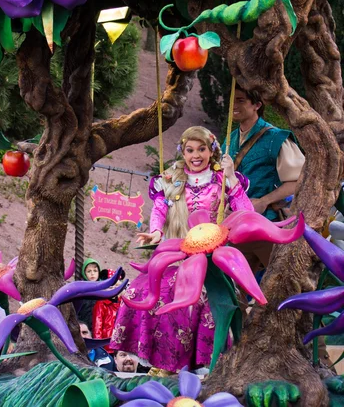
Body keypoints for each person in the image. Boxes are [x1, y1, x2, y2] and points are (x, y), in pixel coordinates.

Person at [110, 126, 254, 373]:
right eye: (190, 150)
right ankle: (163, 362)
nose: (195, 155)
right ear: (183, 153)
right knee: (145, 292)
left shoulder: (222, 179)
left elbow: (248, 214)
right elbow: (159, 210)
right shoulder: (170, 179)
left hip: (212, 258)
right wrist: (155, 232)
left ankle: (205, 364)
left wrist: (231, 178)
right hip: (178, 254)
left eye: (201, 149)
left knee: (209, 301)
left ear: (212, 151)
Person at [222, 85, 305, 272]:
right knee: (234, 286)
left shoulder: (276, 138)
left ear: (257, 105)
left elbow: (299, 180)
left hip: (268, 226)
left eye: (241, 100)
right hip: (236, 227)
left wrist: (264, 201)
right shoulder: (229, 139)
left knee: (280, 282)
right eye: (232, 100)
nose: (233, 105)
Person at [93, 269, 122, 353]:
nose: (113, 289)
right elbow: (97, 327)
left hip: (120, 346)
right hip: (106, 346)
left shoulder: (122, 303)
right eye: (111, 286)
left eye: (116, 286)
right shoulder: (101, 303)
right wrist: (99, 347)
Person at [78, 258, 101, 329]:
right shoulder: (81, 289)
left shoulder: (103, 289)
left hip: (99, 325)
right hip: (84, 323)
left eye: (95, 271)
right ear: (84, 273)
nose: (92, 273)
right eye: (89, 271)